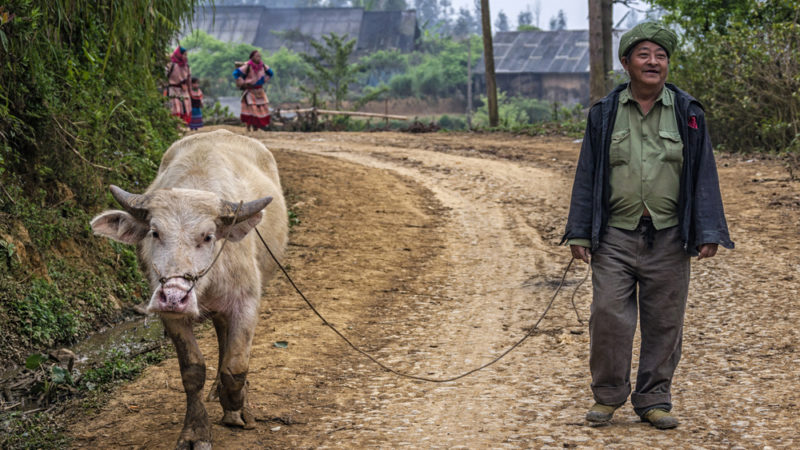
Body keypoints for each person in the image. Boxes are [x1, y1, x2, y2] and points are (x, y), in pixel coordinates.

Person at [561, 22, 734, 429]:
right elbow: (587, 174)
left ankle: (654, 399)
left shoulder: (688, 113)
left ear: (668, 64)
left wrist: (708, 229)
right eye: (644, 54)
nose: (653, 62)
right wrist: (580, 230)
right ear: (626, 63)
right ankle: (607, 397)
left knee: (664, 321)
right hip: (615, 236)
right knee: (608, 316)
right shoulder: (604, 113)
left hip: (669, 237)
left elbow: (703, 173)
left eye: (661, 55)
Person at [233, 50, 274, 131]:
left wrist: (263, 80)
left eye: (259, 56)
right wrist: (242, 83)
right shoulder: (247, 66)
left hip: (259, 90)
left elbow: (271, 73)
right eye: (257, 56)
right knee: (251, 109)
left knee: (261, 108)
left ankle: (256, 127)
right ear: (252, 58)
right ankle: (248, 126)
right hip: (250, 90)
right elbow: (236, 73)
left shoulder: (263, 66)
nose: (259, 58)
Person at [166, 46, 192, 125]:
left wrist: (189, 89)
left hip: (184, 90)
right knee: (175, 107)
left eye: (186, 55)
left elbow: (188, 79)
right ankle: (175, 125)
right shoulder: (171, 65)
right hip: (173, 89)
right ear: (179, 54)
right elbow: (165, 76)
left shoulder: (186, 66)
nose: (185, 57)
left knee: (186, 107)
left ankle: (184, 125)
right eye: (184, 54)